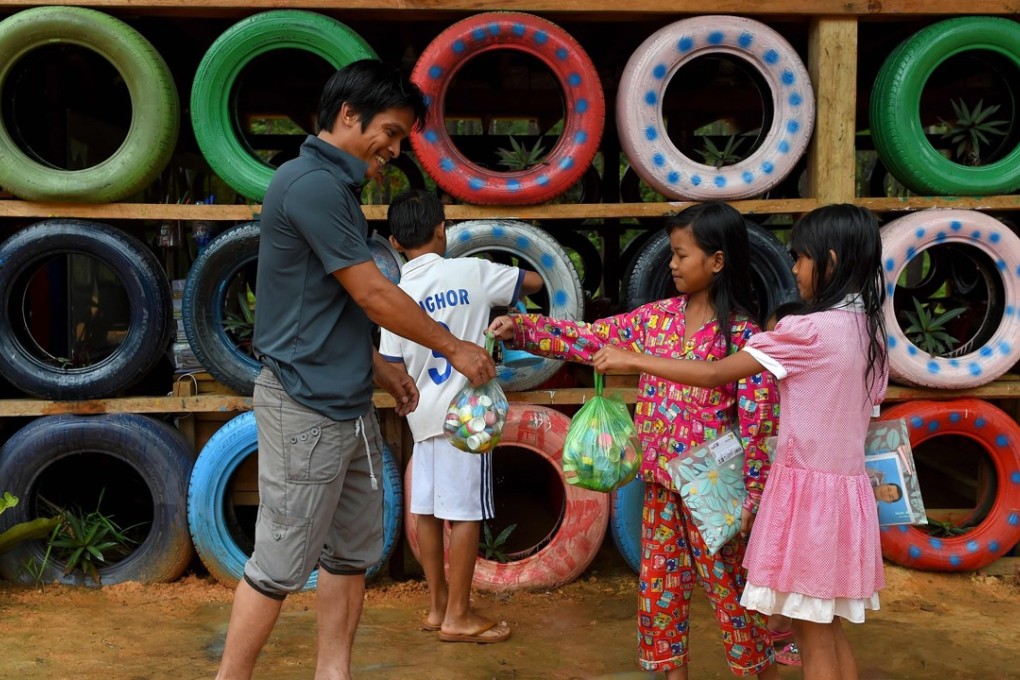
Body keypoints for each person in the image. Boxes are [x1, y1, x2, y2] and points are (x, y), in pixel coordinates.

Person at [215, 60, 496, 680]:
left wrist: (379, 369)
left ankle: (333, 674)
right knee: (280, 563)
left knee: (349, 555)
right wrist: (453, 346)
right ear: (348, 116)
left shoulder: (333, 188)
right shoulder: (310, 184)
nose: (394, 150)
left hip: (345, 401)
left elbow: (327, 303)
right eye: (391, 133)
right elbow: (370, 292)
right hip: (305, 404)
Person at [591, 203, 888, 680]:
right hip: (845, 498)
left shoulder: (807, 331)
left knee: (812, 637)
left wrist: (637, 361)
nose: (793, 268)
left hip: (807, 499)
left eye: (801, 257)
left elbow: (712, 374)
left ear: (829, 261)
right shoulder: (870, 330)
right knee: (828, 629)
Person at [489, 202, 780, 679]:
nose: (673, 264)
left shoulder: (744, 338)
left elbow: (758, 424)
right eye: (672, 254)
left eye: (683, 255)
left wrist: (751, 497)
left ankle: (757, 671)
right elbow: (589, 339)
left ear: (718, 261)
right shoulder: (657, 319)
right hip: (661, 486)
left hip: (715, 494)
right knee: (660, 592)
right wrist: (523, 329)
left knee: (733, 598)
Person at [378, 189, 543, 644]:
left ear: (394, 242)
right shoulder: (471, 270)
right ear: (441, 229)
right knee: (466, 514)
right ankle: (459, 615)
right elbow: (529, 282)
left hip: (421, 415)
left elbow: (391, 366)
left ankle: (437, 608)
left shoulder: (393, 295)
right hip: (466, 415)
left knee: (429, 512)